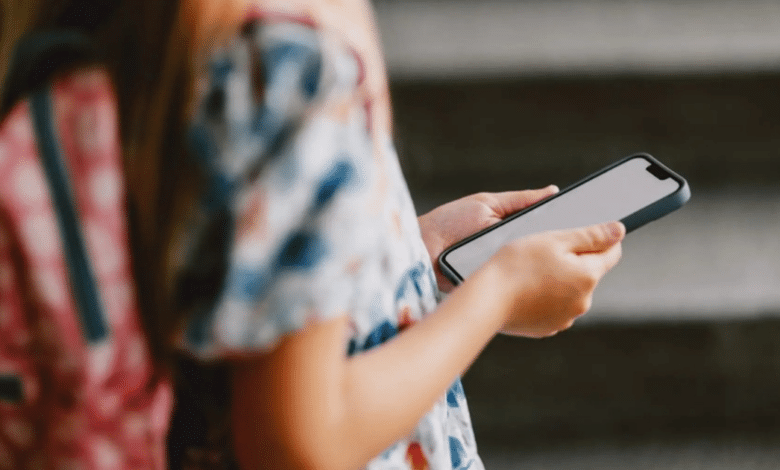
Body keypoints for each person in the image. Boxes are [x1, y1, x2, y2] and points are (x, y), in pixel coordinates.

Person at [0, 0, 624, 469]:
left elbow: (222, 266)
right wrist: (497, 291)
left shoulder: (129, 25)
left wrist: (409, 253)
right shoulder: (295, 67)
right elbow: (301, 440)